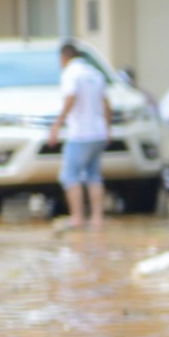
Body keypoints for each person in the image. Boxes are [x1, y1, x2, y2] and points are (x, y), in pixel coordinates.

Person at [47, 40, 111, 232]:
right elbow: (107, 104)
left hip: (80, 134)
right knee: (94, 176)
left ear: (64, 57)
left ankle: (77, 217)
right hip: (97, 132)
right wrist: (108, 128)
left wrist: (57, 124)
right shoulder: (95, 73)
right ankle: (97, 218)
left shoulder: (70, 73)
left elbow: (71, 97)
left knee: (70, 175)